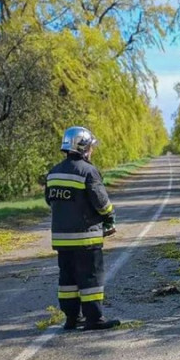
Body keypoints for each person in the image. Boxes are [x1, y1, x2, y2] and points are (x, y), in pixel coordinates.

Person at [45, 126, 120, 330]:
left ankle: (71, 318)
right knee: (91, 279)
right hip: (86, 239)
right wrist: (109, 218)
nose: (92, 151)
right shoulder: (88, 171)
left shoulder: (53, 173)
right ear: (84, 148)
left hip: (62, 240)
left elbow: (49, 201)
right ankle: (94, 319)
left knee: (67, 280)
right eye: (91, 147)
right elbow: (102, 203)